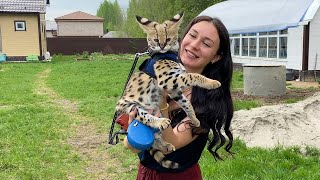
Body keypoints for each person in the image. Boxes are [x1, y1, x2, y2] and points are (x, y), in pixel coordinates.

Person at [124, 15, 234, 180]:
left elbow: (171, 144)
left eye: (206, 43)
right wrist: (134, 135)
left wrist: (161, 101)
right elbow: (132, 144)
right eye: (193, 35)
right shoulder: (152, 73)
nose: (194, 45)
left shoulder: (209, 101)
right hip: (146, 174)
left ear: (216, 56)